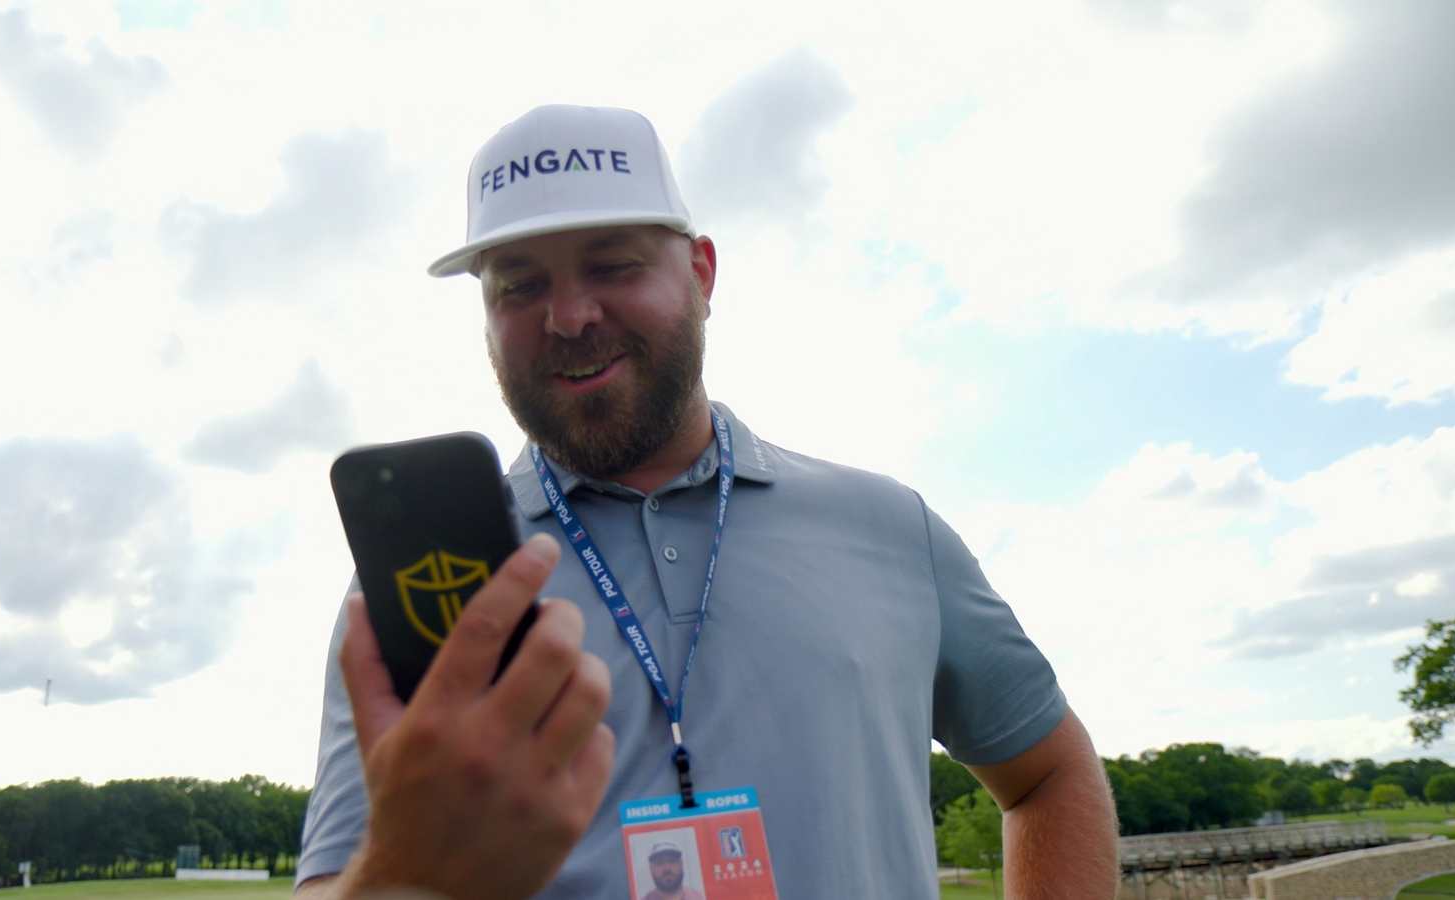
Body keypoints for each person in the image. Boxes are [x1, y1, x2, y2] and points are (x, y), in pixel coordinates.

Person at [295, 105, 1119, 900]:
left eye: (613, 266)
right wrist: (405, 875)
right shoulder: (421, 589)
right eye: (519, 285)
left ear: (701, 273)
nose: (570, 316)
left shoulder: (890, 528)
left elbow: (1047, 774)